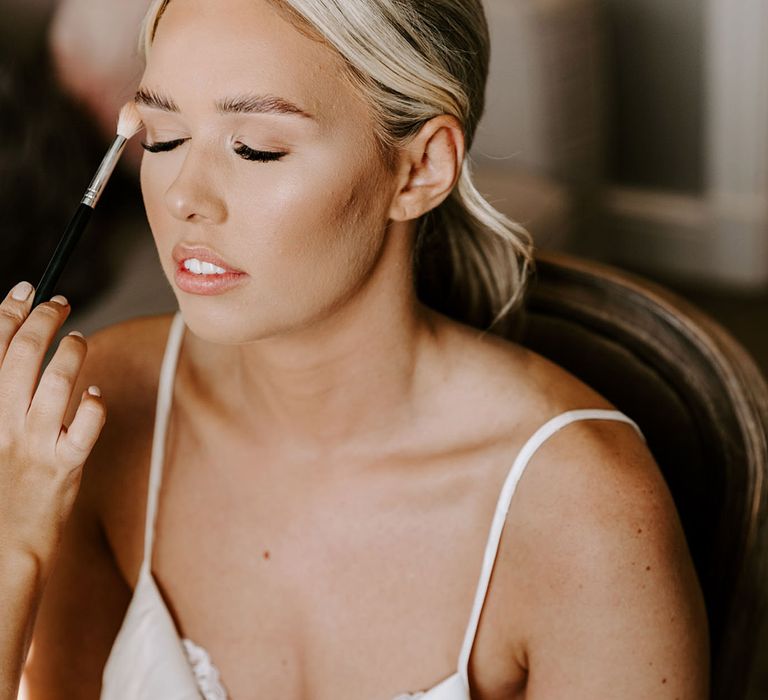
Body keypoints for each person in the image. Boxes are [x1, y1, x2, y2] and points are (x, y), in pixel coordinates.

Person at [10, 0, 709, 698]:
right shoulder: (99, 409)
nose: (185, 198)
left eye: (256, 147)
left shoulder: (582, 511)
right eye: (162, 138)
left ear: (420, 170)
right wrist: (13, 550)